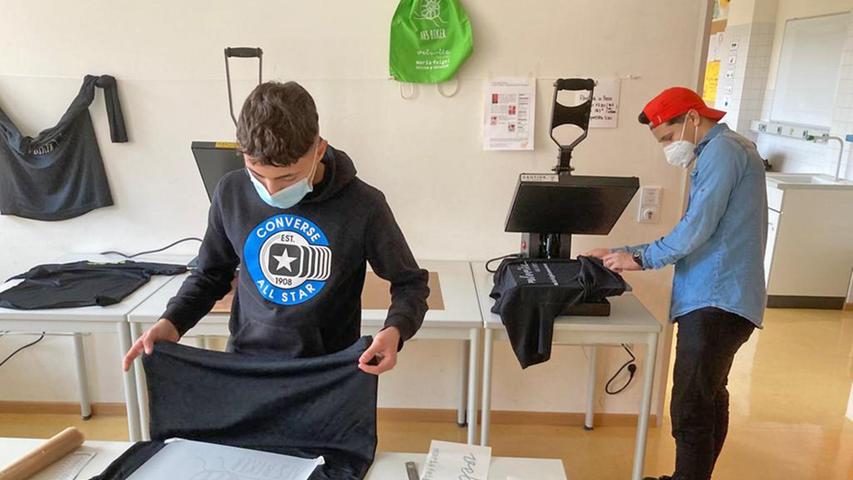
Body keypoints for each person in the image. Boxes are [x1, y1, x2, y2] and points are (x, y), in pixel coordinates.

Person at [124, 81, 429, 376]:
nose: (270, 189)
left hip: (327, 371)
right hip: (246, 362)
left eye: (287, 178)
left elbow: (410, 284)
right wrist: (172, 321)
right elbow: (210, 275)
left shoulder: (364, 205)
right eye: (257, 174)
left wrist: (395, 331)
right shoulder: (230, 191)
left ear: (319, 150)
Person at [587, 87, 767, 480]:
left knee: (690, 406)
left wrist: (639, 258)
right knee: (709, 398)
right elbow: (699, 231)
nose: (669, 148)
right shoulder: (726, 151)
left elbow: (696, 229)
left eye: (668, 138)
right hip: (723, 297)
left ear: (691, 117)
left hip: (717, 299)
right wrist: (624, 250)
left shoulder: (723, 152)